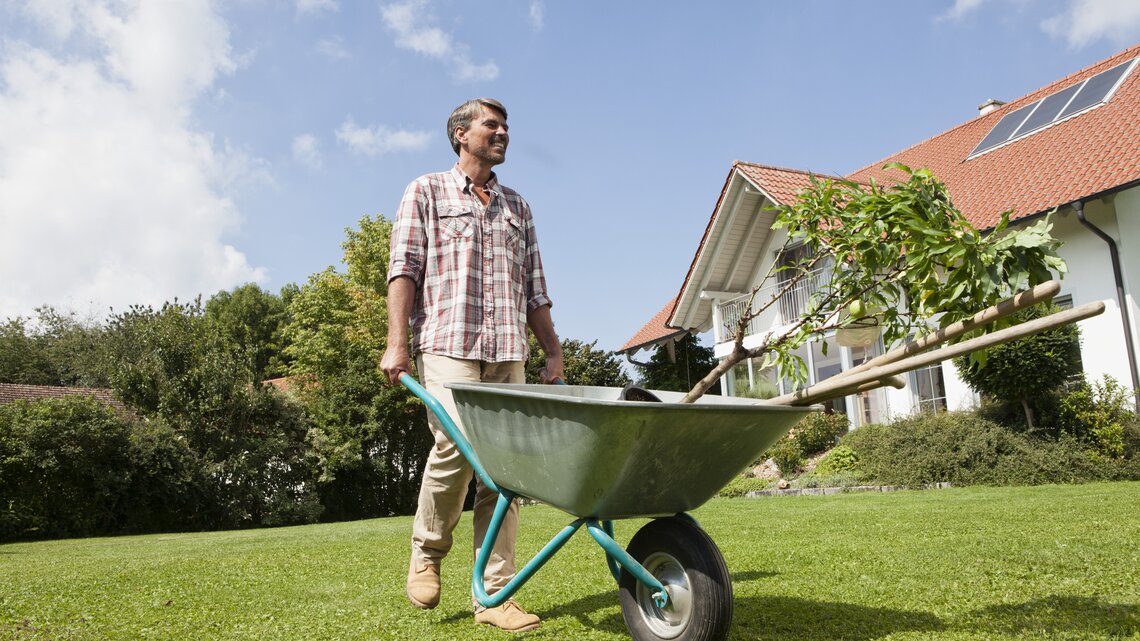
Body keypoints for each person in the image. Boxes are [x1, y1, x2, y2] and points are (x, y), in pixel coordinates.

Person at [380, 98, 564, 634]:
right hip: (448, 344)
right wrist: (397, 343)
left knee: (507, 472)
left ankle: (495, 594)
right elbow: (403, 269)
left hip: (509, 352)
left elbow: (535, 288)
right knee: (455, 447)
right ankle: (428, 552)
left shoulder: (518, 207)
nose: (503, 132)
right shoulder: (426, 191)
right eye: (492, 124)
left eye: (506, 126)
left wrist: (551, 350)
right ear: (461, 134)